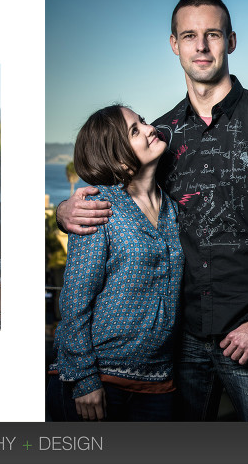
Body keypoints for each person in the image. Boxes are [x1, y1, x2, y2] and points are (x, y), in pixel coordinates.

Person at [57, 0, 248, 421]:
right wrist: (63, 214)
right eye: (190, 35)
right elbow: (117, 195)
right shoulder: (160, 136)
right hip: (179, 343)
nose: (201, 46)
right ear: (174, 45)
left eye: (212, 34)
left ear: (230, 41)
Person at [46, 105, 183, 422]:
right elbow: (76, 299)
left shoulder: (174, 211)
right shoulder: (98, 207)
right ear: (120, 159)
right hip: (99, 382)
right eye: (135, 130)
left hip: (158, 382)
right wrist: (84, 379)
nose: (150, 128)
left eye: (143, 122)